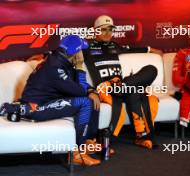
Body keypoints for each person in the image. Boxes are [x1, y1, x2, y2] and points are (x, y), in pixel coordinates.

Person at [0, 35, 101, 166]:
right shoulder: (56, 67)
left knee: (92, 98)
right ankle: (77, 154)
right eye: (81, 50)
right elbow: (80, 91)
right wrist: (81, 68)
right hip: (35, 107)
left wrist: (92, 91)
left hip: (48, 101)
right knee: (84, 102)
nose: (82, 53)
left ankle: (88, 143)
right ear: (74, 53)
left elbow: (78, 86)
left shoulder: (61, 60)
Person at [82, 15, 162, 149]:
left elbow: (133, 49)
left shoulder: (115, 46)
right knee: (135, 91)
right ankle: (141, 136)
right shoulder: (86, 49)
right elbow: (65, 53)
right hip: (107, 89)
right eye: (103, 30)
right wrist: (44, 56)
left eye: (110, 30)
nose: (108, 33)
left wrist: (151, 49)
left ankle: (140, 136)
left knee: (151, 69)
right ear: (95, 31)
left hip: (122, 86)